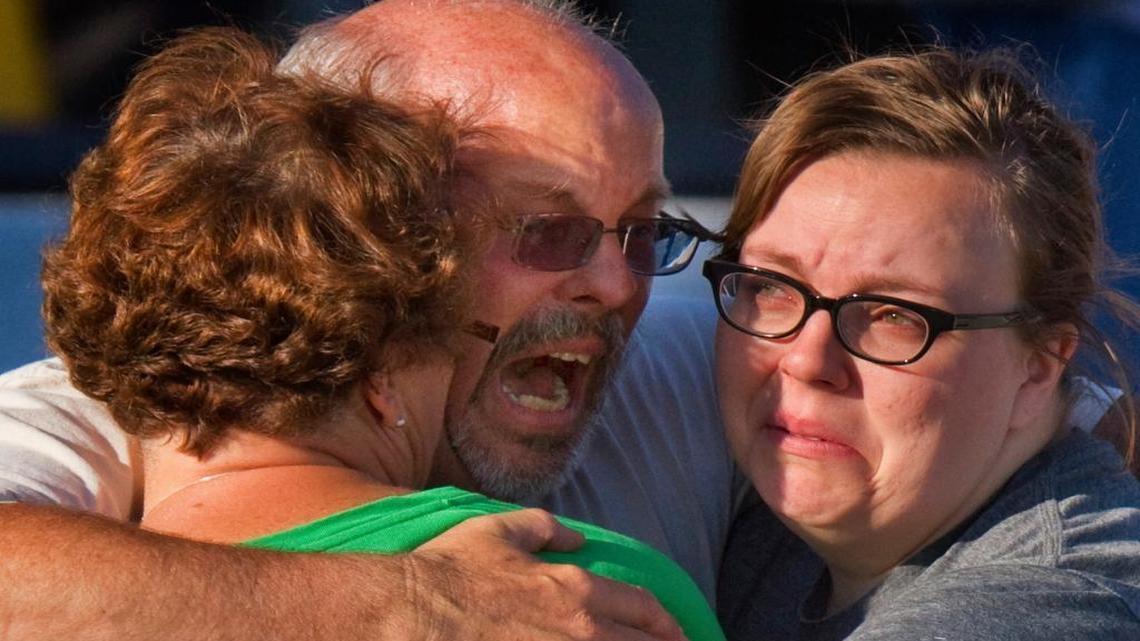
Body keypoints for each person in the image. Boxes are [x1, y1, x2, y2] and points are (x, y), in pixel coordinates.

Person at [0, 2, 734, 639]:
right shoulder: (598, 596)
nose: (614, 285)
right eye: (542, 228)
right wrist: (420, 604)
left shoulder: (720, 370)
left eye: (644, 233)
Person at [710, 47, 1140, 639]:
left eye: (894, 314)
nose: (806, 360)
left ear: (1039, 366)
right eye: (772, 287)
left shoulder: (1045, 608)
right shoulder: (799, 522)